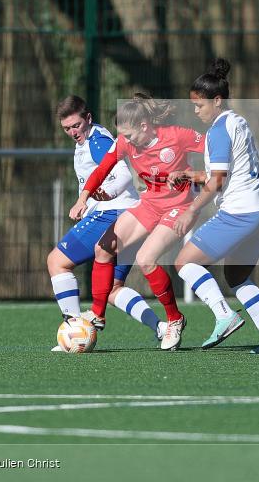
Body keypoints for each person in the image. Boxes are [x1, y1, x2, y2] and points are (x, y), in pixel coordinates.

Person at [168, 58, 259, 354]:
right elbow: (221, 174)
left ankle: (224, 316)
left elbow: (219, 181)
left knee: (184, 262)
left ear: (217, 100)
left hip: (239, 212)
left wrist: (191, 209)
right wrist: (190, 175)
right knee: (236, 277)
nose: (196, 112)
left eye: (199, 106)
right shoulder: (238, 122)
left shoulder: (219, 129)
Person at [69, 94, 205, 351]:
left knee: (146, 259)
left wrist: (197, 176)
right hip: (150, 203)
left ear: (145, 126)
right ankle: (98, 314)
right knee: (103, 248)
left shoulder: (177, 135)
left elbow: (216, 152)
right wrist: (83, 198)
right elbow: (101, 170)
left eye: (129, 136)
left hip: (179, 206)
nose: (126, 142)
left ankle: (175, 320)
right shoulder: (125, 141)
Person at [48, 96, 165, 351]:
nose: (72, 132)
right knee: (112, 289)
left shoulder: (98, 140)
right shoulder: (92, 138)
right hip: (132, 216)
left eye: (76, 125)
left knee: (57, 262)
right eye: (66, 128)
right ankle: (161, 327)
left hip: (111, 213)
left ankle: (73, 327)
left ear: (88, 118)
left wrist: (104, 195)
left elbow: (122, 173)